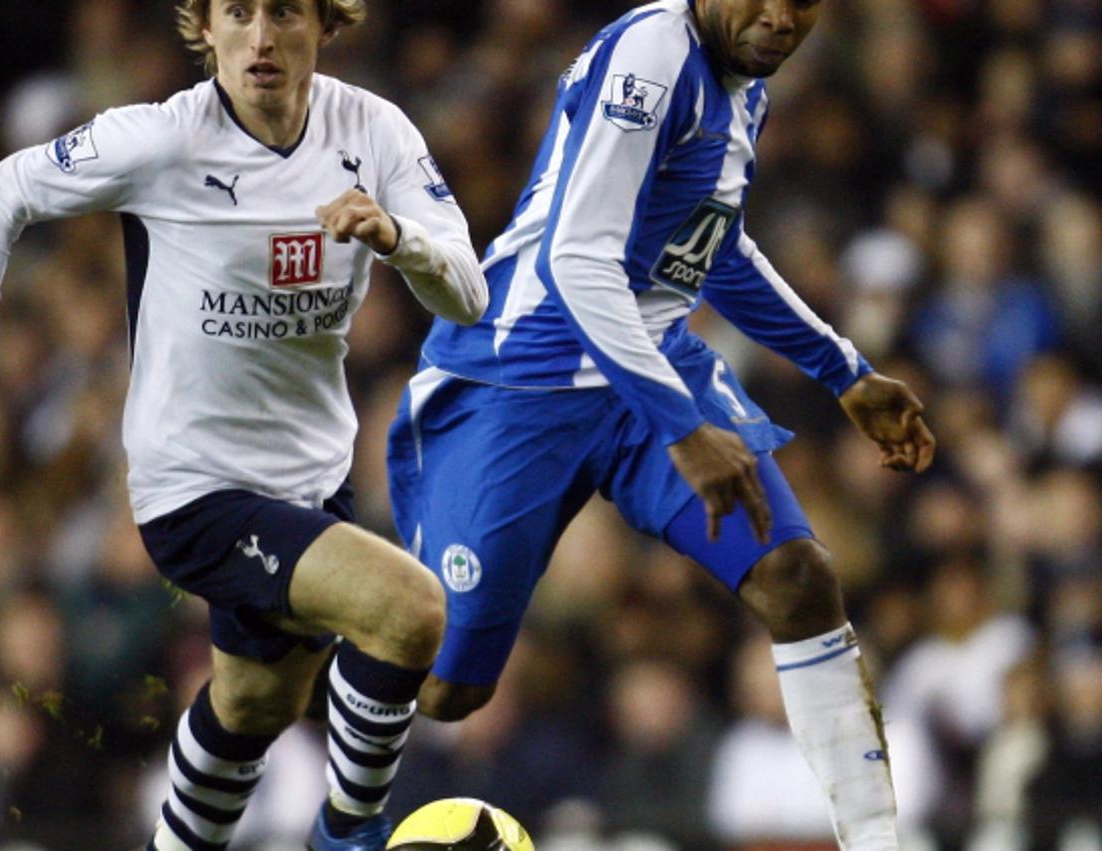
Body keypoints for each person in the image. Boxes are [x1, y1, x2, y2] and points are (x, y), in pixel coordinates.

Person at [0, 1, 487, 849]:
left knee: (258, 705)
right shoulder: (160, 140)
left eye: (285, 12)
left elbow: (468, 294)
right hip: (194, 487)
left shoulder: (374, 131)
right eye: (238, 13)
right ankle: (351, 833)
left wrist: (397, 235)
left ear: (325, 24)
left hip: (311, 479)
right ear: (206, 26)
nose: (260, 37)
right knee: (409, 610)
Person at [387, 1, 936, 849]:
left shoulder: (743, 79)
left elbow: (711, 245)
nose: (782, 17)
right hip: (521, 377)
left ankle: (877, 843)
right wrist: (682, 429)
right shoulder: (652, 54)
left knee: (797, 578)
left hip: (644, 360)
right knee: (449, 691)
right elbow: (576, 257)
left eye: (805, 1)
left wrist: (845, 371)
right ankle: (321, 619)